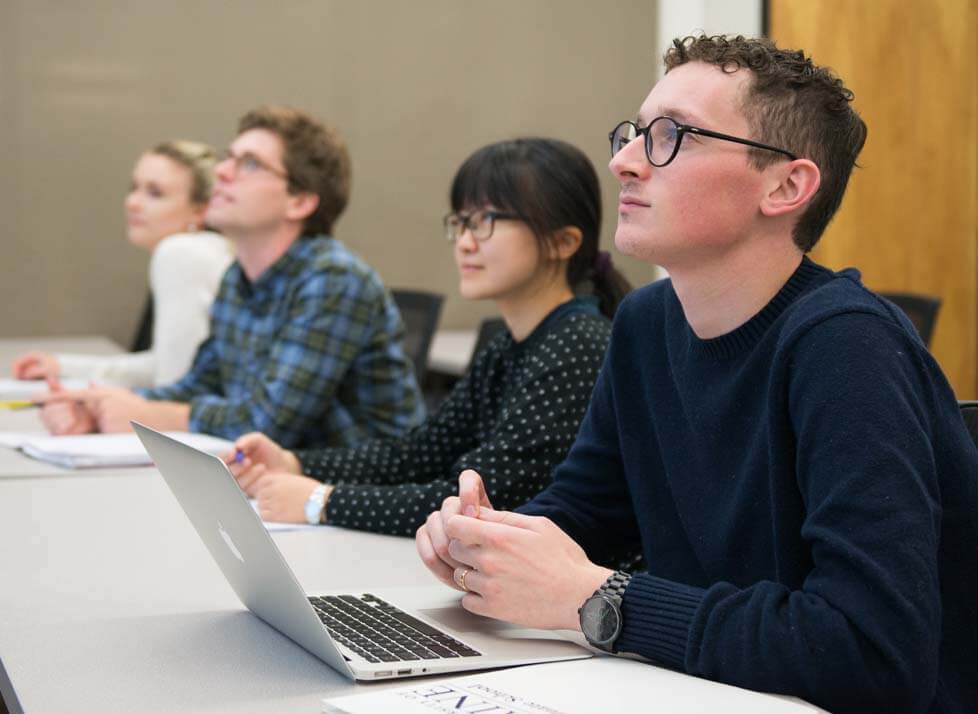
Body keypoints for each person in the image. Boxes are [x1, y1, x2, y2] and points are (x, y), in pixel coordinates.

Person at [416, 35, 978, 714]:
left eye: (671, 135)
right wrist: (488, 545)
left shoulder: (847, 347)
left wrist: (597, 598)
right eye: (632, 134)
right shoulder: (646, 324)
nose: (623, 162)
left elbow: (871, 651)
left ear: (785, 186)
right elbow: (586, 515)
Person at [225, 138, 630, 536]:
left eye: (486, 222)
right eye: (461, 223)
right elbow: (419, 454)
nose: (466, 243)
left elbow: (475, 506)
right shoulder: (513, 345)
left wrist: (322, 501)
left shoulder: (577, 347)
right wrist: (294, 463)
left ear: (563, 242)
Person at [41, 106, 425, 449]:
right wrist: (101, 406)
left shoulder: (333, 279)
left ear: (300, 201)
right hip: (278, 491)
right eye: (229, 158)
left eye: (250, 164)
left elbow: (270, 424)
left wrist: (149, 415)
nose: (222, 172)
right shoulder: (237, 277)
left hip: (358, 497)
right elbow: (200, 384)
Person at [12, 141, 233, 388]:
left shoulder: (182, 253)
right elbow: (166, 362)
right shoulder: (207, 249)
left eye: (155, 193)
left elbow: (173, 383)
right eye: (134, 188)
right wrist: (63, 367)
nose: (133, 203)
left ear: (200, 210)